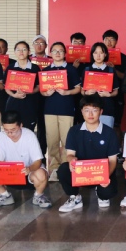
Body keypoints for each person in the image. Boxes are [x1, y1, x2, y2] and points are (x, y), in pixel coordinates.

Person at [57, 95, 120, 212]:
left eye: (94, 110)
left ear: (101, 111)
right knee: (63, 169)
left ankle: (100, 192)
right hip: (81, 173)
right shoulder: (74, 131)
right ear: (82, 112)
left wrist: (105, 176)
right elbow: (70, 154)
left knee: (107, 193)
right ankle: (75, 197)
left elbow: (112, 160)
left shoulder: (110, 133)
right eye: (86, 110)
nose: (90, 114)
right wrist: (72, 160)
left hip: (101, 173)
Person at [0, 111, 52, 209]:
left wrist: (29, 169)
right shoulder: (1, 136)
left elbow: (38, 161)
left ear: (20, 125)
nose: (10, 134)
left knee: (41, 174)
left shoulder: (29, 135)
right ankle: (4, 195)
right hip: (10, 174)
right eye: (6, 130)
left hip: (28, 174)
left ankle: (38, 195)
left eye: (13, 130)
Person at [40, 41, 82, 180]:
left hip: (67, 109)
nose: (57, 53)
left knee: (66, 140)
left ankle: (65, 168)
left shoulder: (71, 69)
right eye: (55, 51)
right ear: (51, 53)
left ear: (65, 53)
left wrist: (66, 92)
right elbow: (42, 91)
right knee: (52, 140)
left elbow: (78, 89)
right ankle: (53, 168)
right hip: (50, 109)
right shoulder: (46, 71)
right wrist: (46, 93)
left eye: (60, 51)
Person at [81, 42, 119, 129]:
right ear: (92, 54)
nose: (98, 56)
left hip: (107, 107)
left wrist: (109, 95)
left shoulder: (110, 70)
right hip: (90, 108)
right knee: (90, 134)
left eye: (101, 53)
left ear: (105, 54)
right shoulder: (87, 69)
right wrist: (86, 93)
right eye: (95, 53)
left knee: (106, 133)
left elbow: (116, 91)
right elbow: (82, 91)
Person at [5, 41, 41, 132]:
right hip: (13, 103)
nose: (21, 52)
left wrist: (29, 92)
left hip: (30, 104)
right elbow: (6, 87)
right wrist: (14, 95)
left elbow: (39, 86)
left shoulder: (35, 68)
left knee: (28, 130)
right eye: (18, 50)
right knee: (13, 130)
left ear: (29, 52)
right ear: (15, 52)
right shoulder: (10, 67)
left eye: (24, 49)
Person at [103, 29, 126, 127]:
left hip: (117, 95)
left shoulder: (123, 58)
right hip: (100, 95)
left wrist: (114, 69)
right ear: (103, 41)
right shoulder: (97, 56)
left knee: (116, 124)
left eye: (112, 39)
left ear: (116, 41)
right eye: (106, 39)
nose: (109, 42)